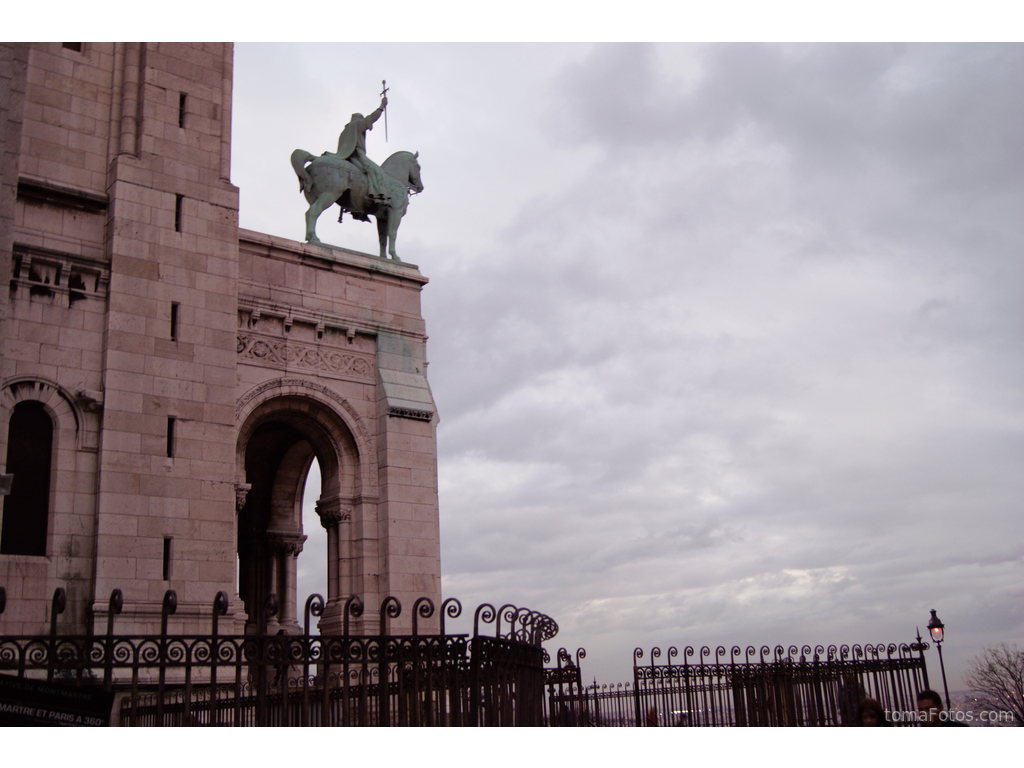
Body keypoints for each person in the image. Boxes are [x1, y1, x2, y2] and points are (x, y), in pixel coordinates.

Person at [335, 96, 390, 205]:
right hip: (357, 155)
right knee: (376, 171)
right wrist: (382, 106)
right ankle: (377, 195)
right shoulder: (357, 125)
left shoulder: (345, 130)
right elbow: (372, 118)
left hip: (344, 156)